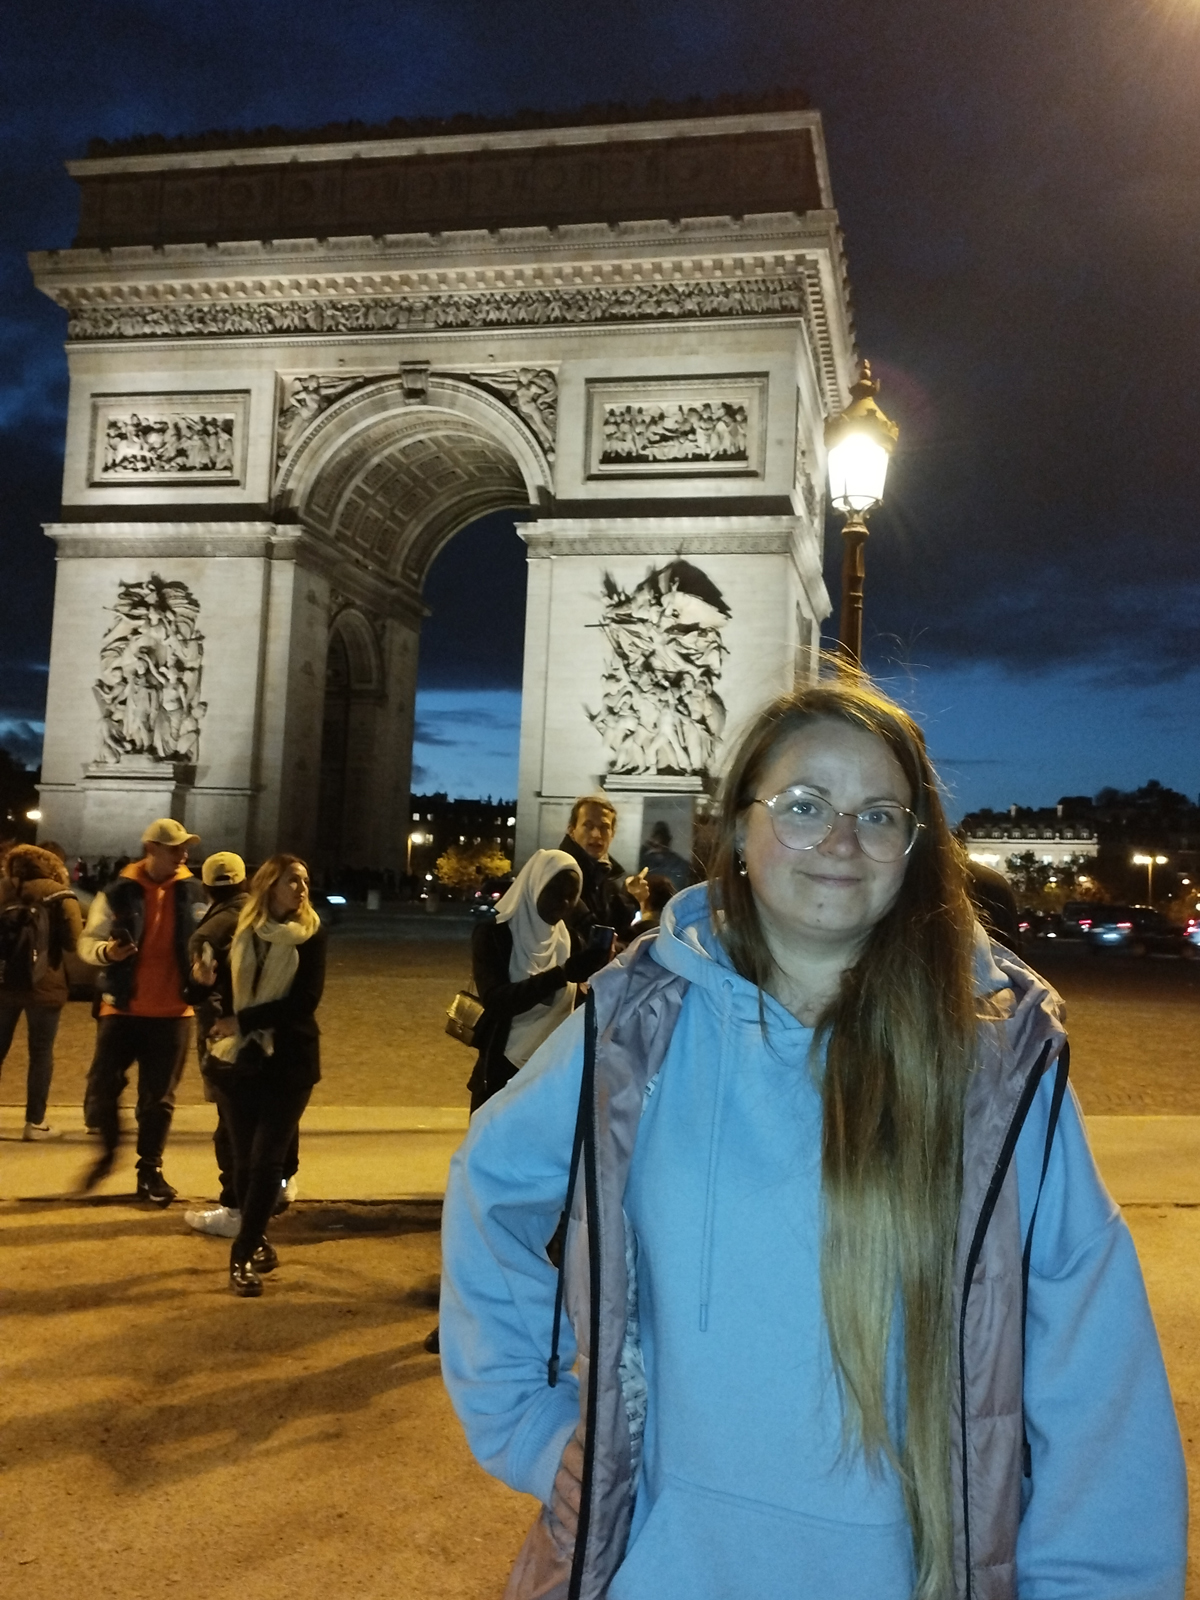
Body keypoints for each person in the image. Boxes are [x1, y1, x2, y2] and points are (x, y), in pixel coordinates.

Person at [439, 672, 1186, 1600]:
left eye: (879, 815)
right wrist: (529, 1424)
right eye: (803, 805)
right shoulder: (633, 1025)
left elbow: (1096, 1373)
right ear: (737, 830)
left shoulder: (998, 1068)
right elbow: (491, 1186)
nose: (840, 840)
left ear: (914, 849)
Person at [202, 853, 325, 1298]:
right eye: (293, 880)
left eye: (305, 880)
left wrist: (244, 1021)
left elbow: (304, 1001)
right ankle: (259, 1237)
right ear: (269, 885)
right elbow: (212, 991)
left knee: (267, 1161)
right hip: (239, 1064)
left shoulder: (310, 935)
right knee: (241, 1162)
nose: (301, 888)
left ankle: (241, 1255)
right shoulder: (240, 935)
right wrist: (202, 983)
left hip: (289, 1062)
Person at [78, 818, 207, 1203]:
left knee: (159, 1099)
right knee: (102, 1089)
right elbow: (88, 942)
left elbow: (208, 942)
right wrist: (107, 953)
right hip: (122, 1008)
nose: (184, 854)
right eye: (175, 848)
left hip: (173, 1011)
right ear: (151, 848)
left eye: (185, 847)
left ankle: (149, 1170)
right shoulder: (117, 891)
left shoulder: (194, 891)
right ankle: (107, 1153)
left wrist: (204, 968)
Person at [467, 849, 612, 1116]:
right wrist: (561, 975)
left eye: (572, 894)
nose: (564, 902)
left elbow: (572, 1007)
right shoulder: (495, 934)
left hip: (550, 1073)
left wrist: (596, 981)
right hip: (502, 1072)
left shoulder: (569, 939)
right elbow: (496, 1001)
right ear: (535, 884)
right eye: (555, 891)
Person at [0, 844, 83, 1139]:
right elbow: (74, 943)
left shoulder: (2, 890)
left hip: (3, 983)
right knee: (40, 1053)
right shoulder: (59, 894)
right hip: (45, 983)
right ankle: (34, 1122)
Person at [558, 796, 637, 943]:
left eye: (604, 827)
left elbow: (613, 931)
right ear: (571, 830)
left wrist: (630, 897)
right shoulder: (561, 874)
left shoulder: (608, 875)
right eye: (588, 825)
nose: (596, 834)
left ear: (613, 833)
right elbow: (594, 937)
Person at [636, 821, 692, 893]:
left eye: (661, 839)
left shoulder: (680, 865)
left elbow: (677, 888)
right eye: (655, 838)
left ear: (668, 840)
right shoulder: (647, 861)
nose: (657, 842)